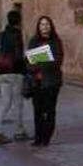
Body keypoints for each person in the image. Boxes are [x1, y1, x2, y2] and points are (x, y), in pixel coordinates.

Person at [0, 10, 28, 144]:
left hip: (3, 73)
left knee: (5, 102)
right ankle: (19, 131)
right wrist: (25, 67)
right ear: (19, 21)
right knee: (18, 103)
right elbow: (18, 56)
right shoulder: (17, 35)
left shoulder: (0, 35)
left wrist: (2, 65)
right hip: (16, 73)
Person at [27, 16, 64, 147]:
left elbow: (57, 61)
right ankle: (38, 137)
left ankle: (46, 137)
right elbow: (29, 60)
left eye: (47, 24)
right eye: (42, 24)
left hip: (52, 82)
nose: (45, 27)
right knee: (37, 111)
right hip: (36, 82)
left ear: (51, 26)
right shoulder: (33, 41)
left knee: (49, 110)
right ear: (38, 26)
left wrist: (40, 62)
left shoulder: (56, 41)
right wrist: (36, 64)